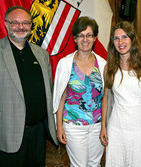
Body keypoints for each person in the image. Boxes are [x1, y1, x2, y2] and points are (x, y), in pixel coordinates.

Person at [0, 6, 58, 167]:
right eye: (15, 22)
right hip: (7, 131)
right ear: (6, 24)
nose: (21, 27)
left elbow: (48, 90)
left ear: (31, 26)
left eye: (26, 23)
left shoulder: (42, 54)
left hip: (38, 131)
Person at [100, 21, 141, 167]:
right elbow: (106, 98)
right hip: (116, 128)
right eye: (116, 38)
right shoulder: (109, 68)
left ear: (132, 39)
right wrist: (103, 127)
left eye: (124, 37)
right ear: (112, 42)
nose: (121, 42)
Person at [53, 16, 106, 167]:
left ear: (95, 38)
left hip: (97, 126)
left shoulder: (103, 64)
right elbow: (59, 98)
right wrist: (59, 127)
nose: (85, 39)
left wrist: (104, 125)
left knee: (94, 164)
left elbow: (106, 98)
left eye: (89, 35)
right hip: (73, 125)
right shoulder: (65, 64)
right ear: (75, 39)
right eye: (80, 35)